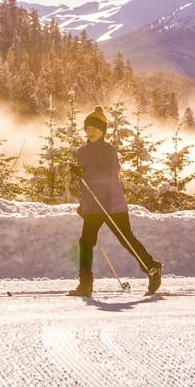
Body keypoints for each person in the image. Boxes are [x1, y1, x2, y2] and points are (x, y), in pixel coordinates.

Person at [70, 106, 163, 296]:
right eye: (87, 127)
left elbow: (109, 177)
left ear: (103, 130)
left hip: (112, 204)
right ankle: (85, 284)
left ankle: (152, 268)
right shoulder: (82, 152)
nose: (90, 131)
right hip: (93, 206)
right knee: (86, 243)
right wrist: (83, 203)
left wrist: (85, 173)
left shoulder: (109, 151)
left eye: (95, 127)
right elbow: (84, 183)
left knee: (126, 239)